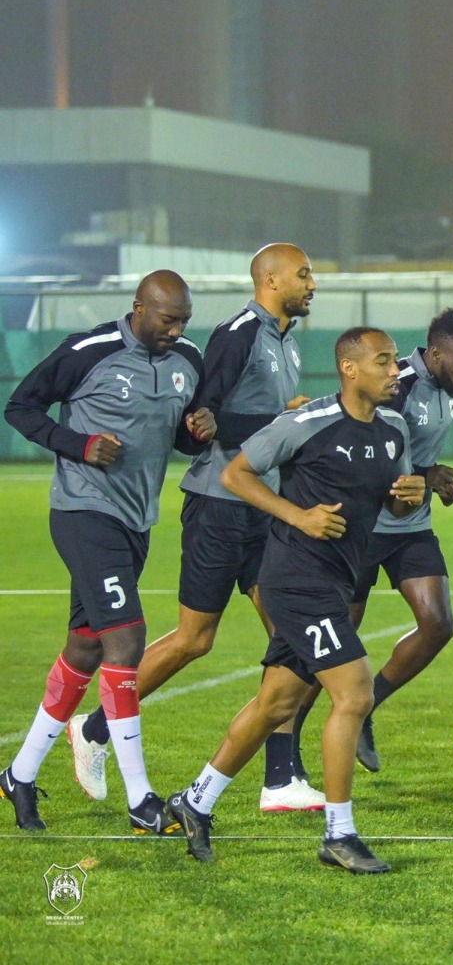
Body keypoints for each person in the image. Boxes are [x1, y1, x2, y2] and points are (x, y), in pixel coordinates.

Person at [67, 243, 321, 815]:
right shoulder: (240, 334)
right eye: (303, 274)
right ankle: (95, 730)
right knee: (193, 640)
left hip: (263, 507)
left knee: (296, 639)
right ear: (271, 279)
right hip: (218, 506)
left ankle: (280, 779)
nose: (312, 284)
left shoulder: (286, 341)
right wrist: (286, 420)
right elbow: (203, 420)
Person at [166, 328, 425, 873]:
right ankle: (339, 833)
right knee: (354, 694)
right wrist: (298, 516)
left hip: (335, 579)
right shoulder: (305, 423)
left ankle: (196, 800)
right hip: (295, 579)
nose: (395, 372)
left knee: (276, 705)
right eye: (383, 363)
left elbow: (388, 506)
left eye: (395, 363)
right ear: (350, 369)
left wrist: (409, 498)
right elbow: (237, 474)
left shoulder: (396, 428)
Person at [1, 270, 214, 833]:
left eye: (184, 320)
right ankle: (142, 799)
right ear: (139, 308)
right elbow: (21, 408)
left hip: (136, 520)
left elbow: (181, 436)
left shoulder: (187, 359)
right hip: (83, 512)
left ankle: (18, 775)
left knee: (85, 648)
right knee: (127, 640)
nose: (177, 329)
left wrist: (199, 431)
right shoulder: (89, 350)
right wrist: (79, 445)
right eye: (168, 319)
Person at [350, 309, 453, 772]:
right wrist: (428, 475)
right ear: (435, 353)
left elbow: (411, 456)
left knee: (439, 624)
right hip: (364, 528)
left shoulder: (446, 388)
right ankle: (286, 755)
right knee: (337, 643)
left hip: (409, 526)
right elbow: (367, 451)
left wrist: (431, 482)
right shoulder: (397, 382)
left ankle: (366, 705)